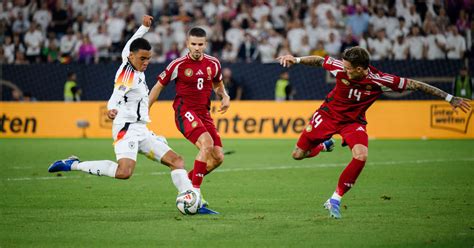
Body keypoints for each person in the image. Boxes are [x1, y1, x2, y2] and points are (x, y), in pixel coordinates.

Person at [277, 47, 471, 219]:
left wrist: (449, 97)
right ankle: (324, 146)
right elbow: (320, 61)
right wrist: (297, 59)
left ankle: (335, 199)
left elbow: (416, 85)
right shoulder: (340, 67)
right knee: (297, 155)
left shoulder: (381, 81)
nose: (344, 70)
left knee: (361, 155)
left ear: (360, 69)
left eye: (349, 68)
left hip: (353, 122)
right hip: (327, 115)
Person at [48, 15, 195, 205]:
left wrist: (143, 27)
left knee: (177, 161)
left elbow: (130, 42)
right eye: (142, 58)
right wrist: (111, 109)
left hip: (142, 129)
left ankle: (190, 199)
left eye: (149, 59)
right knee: (124, 172)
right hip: (126, 129)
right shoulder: (128, 76)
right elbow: (116, 96)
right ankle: (73, 164)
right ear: (132, 56)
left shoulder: (129, 55)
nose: (146, 62)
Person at [149, 27, 230, 213]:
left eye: (200, 44)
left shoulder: (214, 63)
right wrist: (145, 110)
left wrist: (224, 96)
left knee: (217, 158)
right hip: (184, 111)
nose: (197, 48)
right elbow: (157, 87)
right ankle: (195, 195)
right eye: (193, 44)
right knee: (206, 145)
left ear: (205, 44)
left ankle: (187, 186)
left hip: (204, 114)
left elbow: (218, 85)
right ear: (187, 44)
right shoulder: (178, 65)